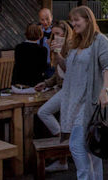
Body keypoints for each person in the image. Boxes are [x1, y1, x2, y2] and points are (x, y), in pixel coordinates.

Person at [37, 6, 108, 180]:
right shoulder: (76, 43)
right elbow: (69, 69)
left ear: (88, 20)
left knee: (77, 145)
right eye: (72, 20)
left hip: (90, 101)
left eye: (76, 20)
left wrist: (104, 90)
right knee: (91, 147)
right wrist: (57, 54)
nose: (73, 24)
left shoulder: (100, 41)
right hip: (74, 100)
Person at [35, 20, 73, 173]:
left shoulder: (70, 46)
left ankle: (65, 145)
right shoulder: (59, 47)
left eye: (58, 34)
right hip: (61, 89)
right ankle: (63, 157)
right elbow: (58, 74)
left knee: (44, 112)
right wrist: (46, 83)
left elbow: (69, 70)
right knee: (63, 122)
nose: (54, 37)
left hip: (69, 90)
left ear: (65, 33)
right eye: (53, 34)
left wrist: (57, 53)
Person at [12, 22, 50, 87]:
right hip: (35, 86)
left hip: (17, 85)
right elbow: (44, 68)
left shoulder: (18, 47)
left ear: (26, 34)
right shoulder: (43, 49)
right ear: (40, 34)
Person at [38, 8, 55, 77]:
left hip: (52, 65)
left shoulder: (56, 31)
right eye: (42, 19)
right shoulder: (37, 31)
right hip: (38, 65)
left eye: (47, 19)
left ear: (52, 17)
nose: (45, 22)